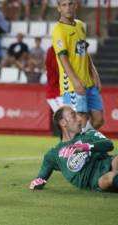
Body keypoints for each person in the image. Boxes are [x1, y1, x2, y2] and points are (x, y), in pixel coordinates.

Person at [29, 105, 118, 192]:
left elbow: (109, 144)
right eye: (73, 116)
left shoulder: (89, 134)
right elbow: (40, 178)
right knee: (108, 179)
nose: (79, 119)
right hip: (95, 179)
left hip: (108, 163)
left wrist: (85, 147)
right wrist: (37, 182)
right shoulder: (53, 154)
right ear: (63, 123)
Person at [52, 0, 103, 131]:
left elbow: (84, 52)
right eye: (63, 5)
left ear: (75, 5)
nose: (67, 8)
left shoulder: (80, 25)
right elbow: (63, 58)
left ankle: (81, 147)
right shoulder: (58, 30)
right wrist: (76, 82)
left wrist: (94, 73)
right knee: (80, 121)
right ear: (59, 8)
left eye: (70, 4)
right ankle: (77, 150)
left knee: (98, 120)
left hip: (88, 82)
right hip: (72, 85)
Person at [45, 46, 63, 113]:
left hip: (62, 92)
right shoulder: (52, 50)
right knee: (64, 117)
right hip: (54, 93)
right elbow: (57, 69)